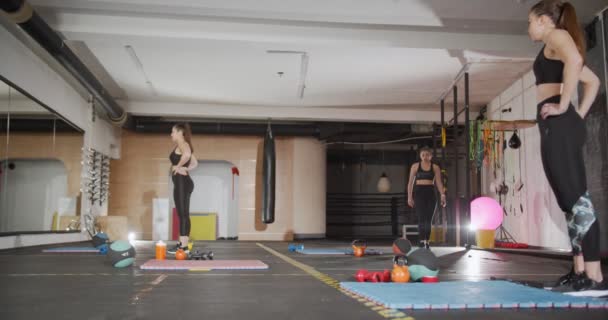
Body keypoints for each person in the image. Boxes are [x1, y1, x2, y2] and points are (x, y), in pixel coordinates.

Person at [528, 0, 603, 292]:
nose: (529, 27)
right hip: (558, 126)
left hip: (559, 125)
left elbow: (574, 62)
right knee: (568, 203)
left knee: (578, 200)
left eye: (531, 21)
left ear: (545, 20)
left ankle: (595, 277)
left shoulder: (557, 36)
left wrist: (563, 107)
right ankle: (579, 269)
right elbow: (593, 81)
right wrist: (577, 116)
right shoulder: (552, 46)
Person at [407, 146, 446, 249]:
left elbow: (438, 182)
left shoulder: (435, 167)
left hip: (430, 193)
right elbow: (410, 183)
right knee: (421, 218)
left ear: (431, 156)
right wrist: (409, 197)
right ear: (420, 156)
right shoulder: (415, 166)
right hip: (419, 193)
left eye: (427, 155)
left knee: (428, 219)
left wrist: (442, 195)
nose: (425, 157)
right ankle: (420, 240)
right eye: (423, 155)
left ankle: (427, 241)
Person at [168, 123, 198, 254]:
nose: (171, 134)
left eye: (173, 132)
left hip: (182, 183)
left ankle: (184, 247)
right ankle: (182, 244)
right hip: (183, 182)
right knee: (182, 214)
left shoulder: (183, 144)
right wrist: (185, 167)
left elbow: (186, 156)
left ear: (180, 132)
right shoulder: (184, 145)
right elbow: (195, 163)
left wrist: (178, 166)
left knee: (183, 214)